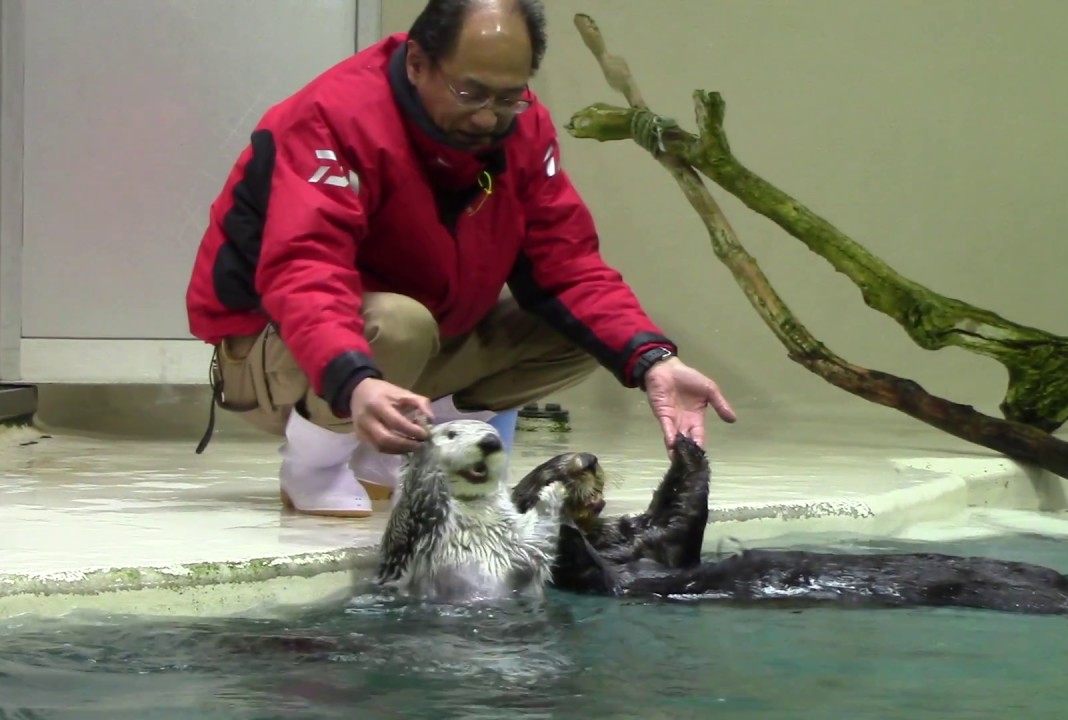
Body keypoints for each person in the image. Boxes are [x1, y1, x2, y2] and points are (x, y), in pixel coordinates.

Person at [184, 0, 736, 519]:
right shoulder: (333, 117)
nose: (488, 117)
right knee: (398, 323)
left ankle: (404, 444)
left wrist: (653, 360)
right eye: (470, 93)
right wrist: (354, 383)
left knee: (586, 334)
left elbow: (568, 265)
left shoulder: (522, 127)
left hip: (411, 350)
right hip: (280, 360)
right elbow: (306, 270)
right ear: (418, 63)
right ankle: (314, 465)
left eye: (509, 97)